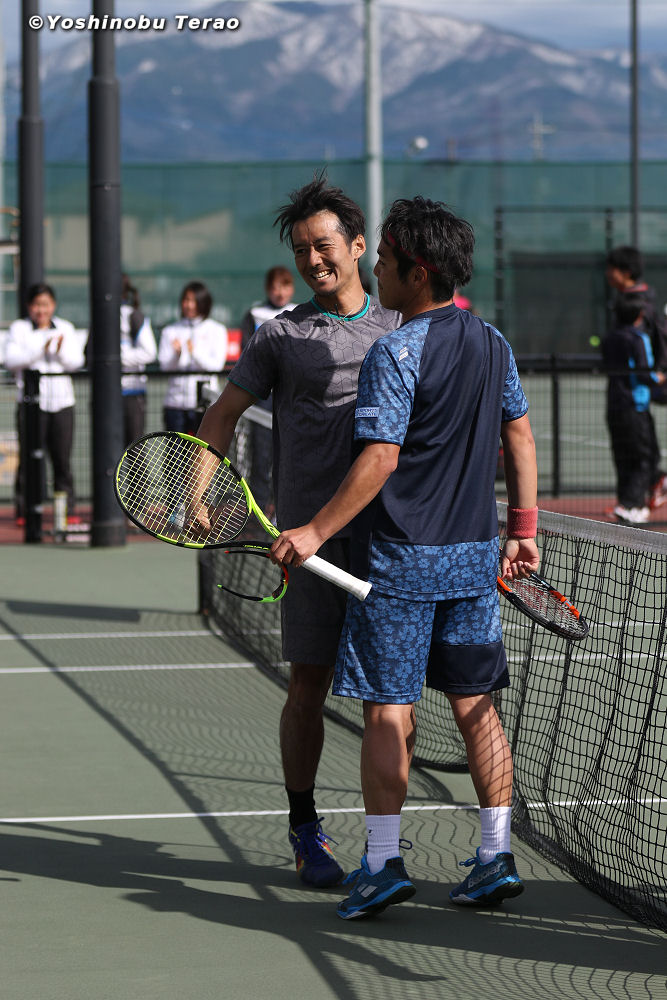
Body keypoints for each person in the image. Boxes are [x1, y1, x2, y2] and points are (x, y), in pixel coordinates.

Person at [270, 196, 539, 918]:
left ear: (417, 272)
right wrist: (523, 529)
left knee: (388, 711)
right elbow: (519, 435)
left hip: (401, 564)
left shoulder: (394, 351)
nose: (378, 273)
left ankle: (383, 863)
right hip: (474, 559)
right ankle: (495, 855)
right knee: (476, 706)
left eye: (386, 262)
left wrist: (314, 532)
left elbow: (379, 458)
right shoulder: (493, 342)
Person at [196, 173, 401, 887]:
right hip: (308, 547)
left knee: (388, 699)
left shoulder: (401, 328)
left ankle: (384, 849)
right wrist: (198, 492)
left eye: (324, 245)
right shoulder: (279, 335)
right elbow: (221, 417)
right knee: (308, 685)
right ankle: (305, 828)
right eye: (301, 249)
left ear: (357, 246)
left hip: (389, 544)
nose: (313, 260)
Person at [5, 282, 85, 525]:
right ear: (29, 306)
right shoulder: (19, 329)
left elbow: (76, 362)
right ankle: (25, 510)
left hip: (62, 404)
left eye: (46, 304)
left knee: (62, 460)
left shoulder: (66, 328)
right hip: (31, 406)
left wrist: (59, 351)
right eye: (37, 305)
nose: (41, 310)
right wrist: (42, 349)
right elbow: (11, 360)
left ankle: (67, 510)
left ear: (53, 305)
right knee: (29, 460)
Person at [601, 292, 666, 525]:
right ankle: (634, 505)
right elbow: (644, 373)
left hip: (614, 405)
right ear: (639, 315)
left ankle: (625, 502)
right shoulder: (638, 339)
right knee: (642, 459)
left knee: (622, 457)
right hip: (635, 406)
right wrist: (659, 378)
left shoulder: (608, 338)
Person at [239, 266, 296, 515]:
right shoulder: (254, 314)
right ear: (267, 289)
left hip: (291, 396)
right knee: (261, 454)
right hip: (262, 397)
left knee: (289, 455)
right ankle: (259, 512)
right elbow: (247, 352)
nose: (280, 292)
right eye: (275, 287)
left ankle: (284, 511)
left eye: (285, 286)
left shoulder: (300, 312)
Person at [158, 280, 228, 435]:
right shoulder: (170, 330)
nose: (188, 305)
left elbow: (216, 365)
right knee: (175, 450)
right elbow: (164, 366)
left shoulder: (217, 330)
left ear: (203, 303)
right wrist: (176, 355)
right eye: (186, 300)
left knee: (203, 448)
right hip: (175, 404)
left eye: (193, 301)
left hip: (205, 404)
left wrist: (194, 352)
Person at [120, 274, 157, 446]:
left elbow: (149, 353)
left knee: (136, 451)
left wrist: (118, 359)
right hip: (107, 396)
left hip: (133, 395)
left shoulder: (133, 315)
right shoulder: (100, 315)